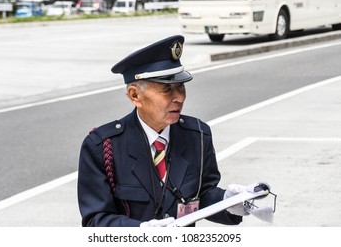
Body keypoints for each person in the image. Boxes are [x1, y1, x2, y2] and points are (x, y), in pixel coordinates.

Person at [77, 35, 249, 227]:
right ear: (135, 95)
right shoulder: (103, 147)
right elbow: (95, 219)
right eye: (167, 89)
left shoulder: (198, 135)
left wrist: (229, 201)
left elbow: (203, 194)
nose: (179, 98)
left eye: (181, 86)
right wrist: (139, 232)